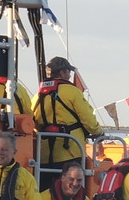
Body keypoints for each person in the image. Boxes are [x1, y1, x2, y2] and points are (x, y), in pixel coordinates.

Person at [31, 56, 101, 184]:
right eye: (68, 72)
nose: (69, 75)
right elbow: (88, 119)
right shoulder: (73, 92)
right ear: (62, 72)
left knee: (45, 192)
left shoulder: (37, 96)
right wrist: (99, 132)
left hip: (44, 155)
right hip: (71, 152)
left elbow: (33, 122)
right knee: (72, 189)